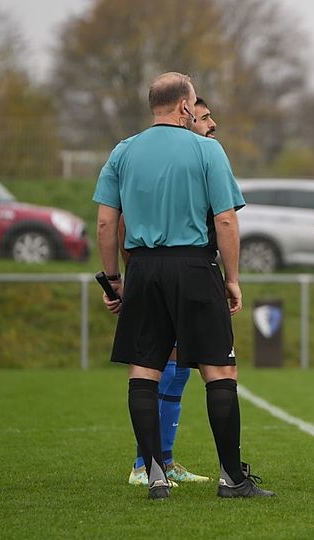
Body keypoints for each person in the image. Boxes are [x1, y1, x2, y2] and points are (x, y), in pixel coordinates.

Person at [94, 72, 273, 499]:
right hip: (194, 266)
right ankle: (232, 479)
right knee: (219, 370)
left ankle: (154, 474)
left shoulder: (123, 151)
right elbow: (225, 220)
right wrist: (232, 279)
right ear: (184, 107)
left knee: (144, 370)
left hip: (143, 268)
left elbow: (105, 223)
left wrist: (114, 279)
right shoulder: (207, 149)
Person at [121, 97, 218, 487]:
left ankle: (163, 459)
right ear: (186, 116)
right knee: (158, 369)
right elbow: (123, 219)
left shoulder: (203, 163)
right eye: (204, 117)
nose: (212, 124)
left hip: (190, 276)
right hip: (169, 277)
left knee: (178, 371)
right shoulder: (165, 161)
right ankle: (144, 465)